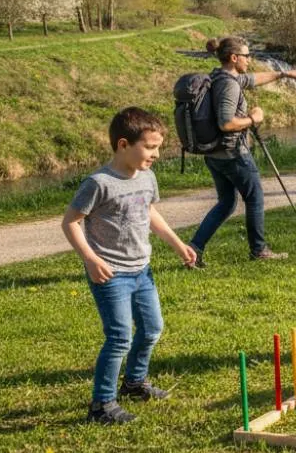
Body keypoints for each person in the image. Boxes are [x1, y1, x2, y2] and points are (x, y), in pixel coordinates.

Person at [62, 108, 198, 424]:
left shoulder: (147, 177)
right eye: (149, 147)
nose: (156, 154)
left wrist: (179, 245)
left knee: (151, 328)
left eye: (158, 147)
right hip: (110, 273)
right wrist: (91, 259)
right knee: (120, 337)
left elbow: (149, 213)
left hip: (142, 270)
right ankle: (102, 405)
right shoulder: (99, 183)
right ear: (124, 144)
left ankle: (135, 383)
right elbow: (71, 222)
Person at [189, 36, 296, 264]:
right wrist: (253, 119)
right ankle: (259, 250)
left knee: (226, 202)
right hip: (233, 153)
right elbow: (226, 123)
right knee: (254, 198)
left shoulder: (220, 76)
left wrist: (283, 74)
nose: (249, 59)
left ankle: (195, 249)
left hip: (214, 154)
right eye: (246, 55)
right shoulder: (228, 85)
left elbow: (252, 79)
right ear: (234, 58)